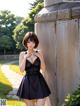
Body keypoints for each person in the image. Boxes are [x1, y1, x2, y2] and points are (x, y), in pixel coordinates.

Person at [16, 32, 51, 106]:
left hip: (39, 81)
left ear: (36, 42)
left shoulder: (39, 52)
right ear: (25, 43)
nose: (31, 44)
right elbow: (21, 70)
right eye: (28, 42)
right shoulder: (22, 54)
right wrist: (25, 58)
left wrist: (40, 57)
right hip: (27, 82)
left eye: (33, 41)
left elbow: (43, 69)